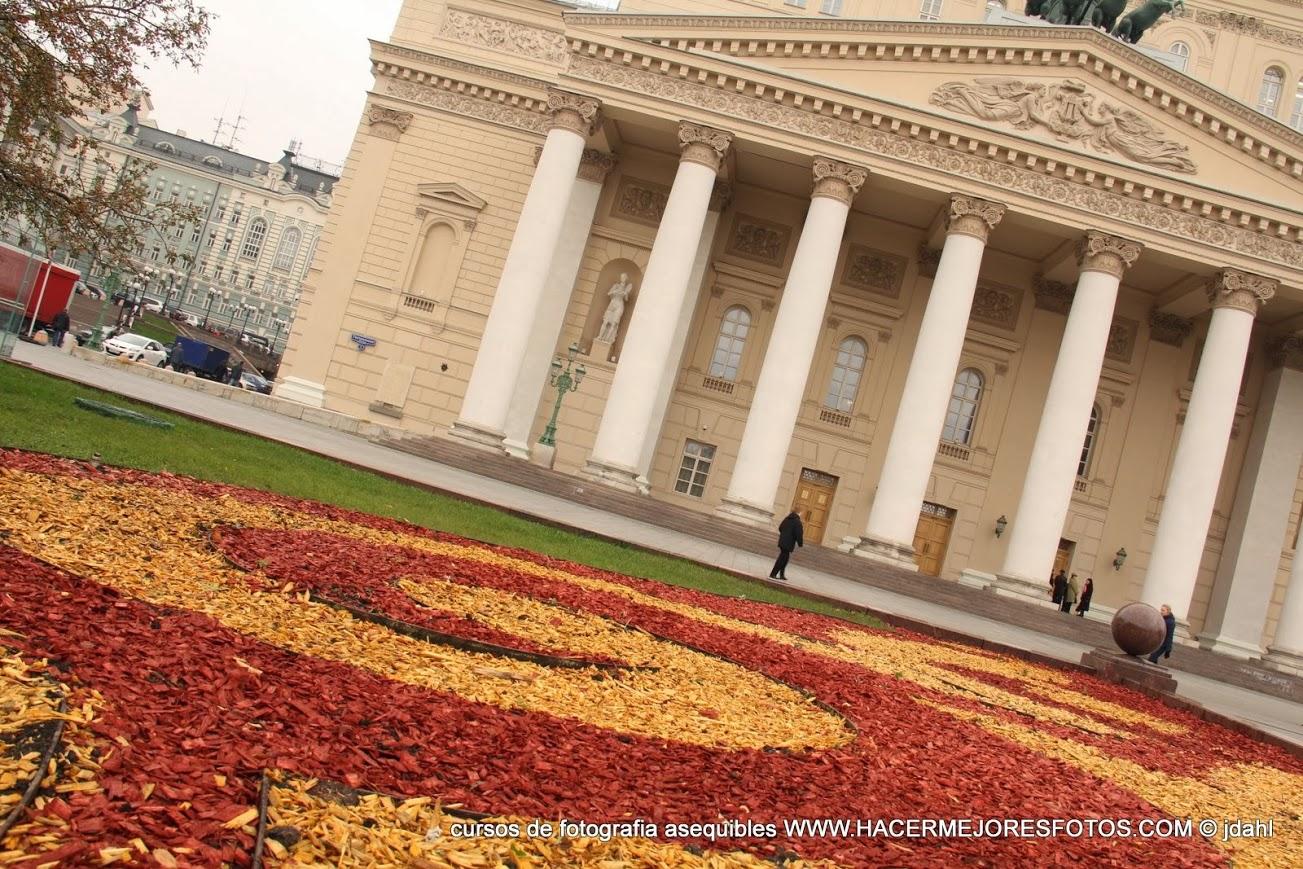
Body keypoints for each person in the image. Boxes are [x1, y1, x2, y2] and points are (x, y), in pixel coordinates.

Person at [596, 274, 634, 344]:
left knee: (614, 324)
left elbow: (626, 299)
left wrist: (625, 293)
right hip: (612, 304)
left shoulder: (626, 288)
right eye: (622, 277)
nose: (623, 278)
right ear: (620, 278)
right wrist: (614, 292)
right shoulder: (616, 285)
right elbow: (609, 294)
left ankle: (607, 340)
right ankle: (600, 336)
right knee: (605, 322)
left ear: (626, 279)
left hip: (620, 305)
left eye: (624, 277)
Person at [770, 510, 804, 581]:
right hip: (789, 543)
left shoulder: (786, 519)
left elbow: (780, 528)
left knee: (785, 558)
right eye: (801, 513)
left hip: (782, 541)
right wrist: (800, 543)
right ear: (799, 513)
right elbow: (798, 534)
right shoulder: (797, 522)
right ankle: (773, 574)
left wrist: (784, 534)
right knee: (782, 559)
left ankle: (781, 575)